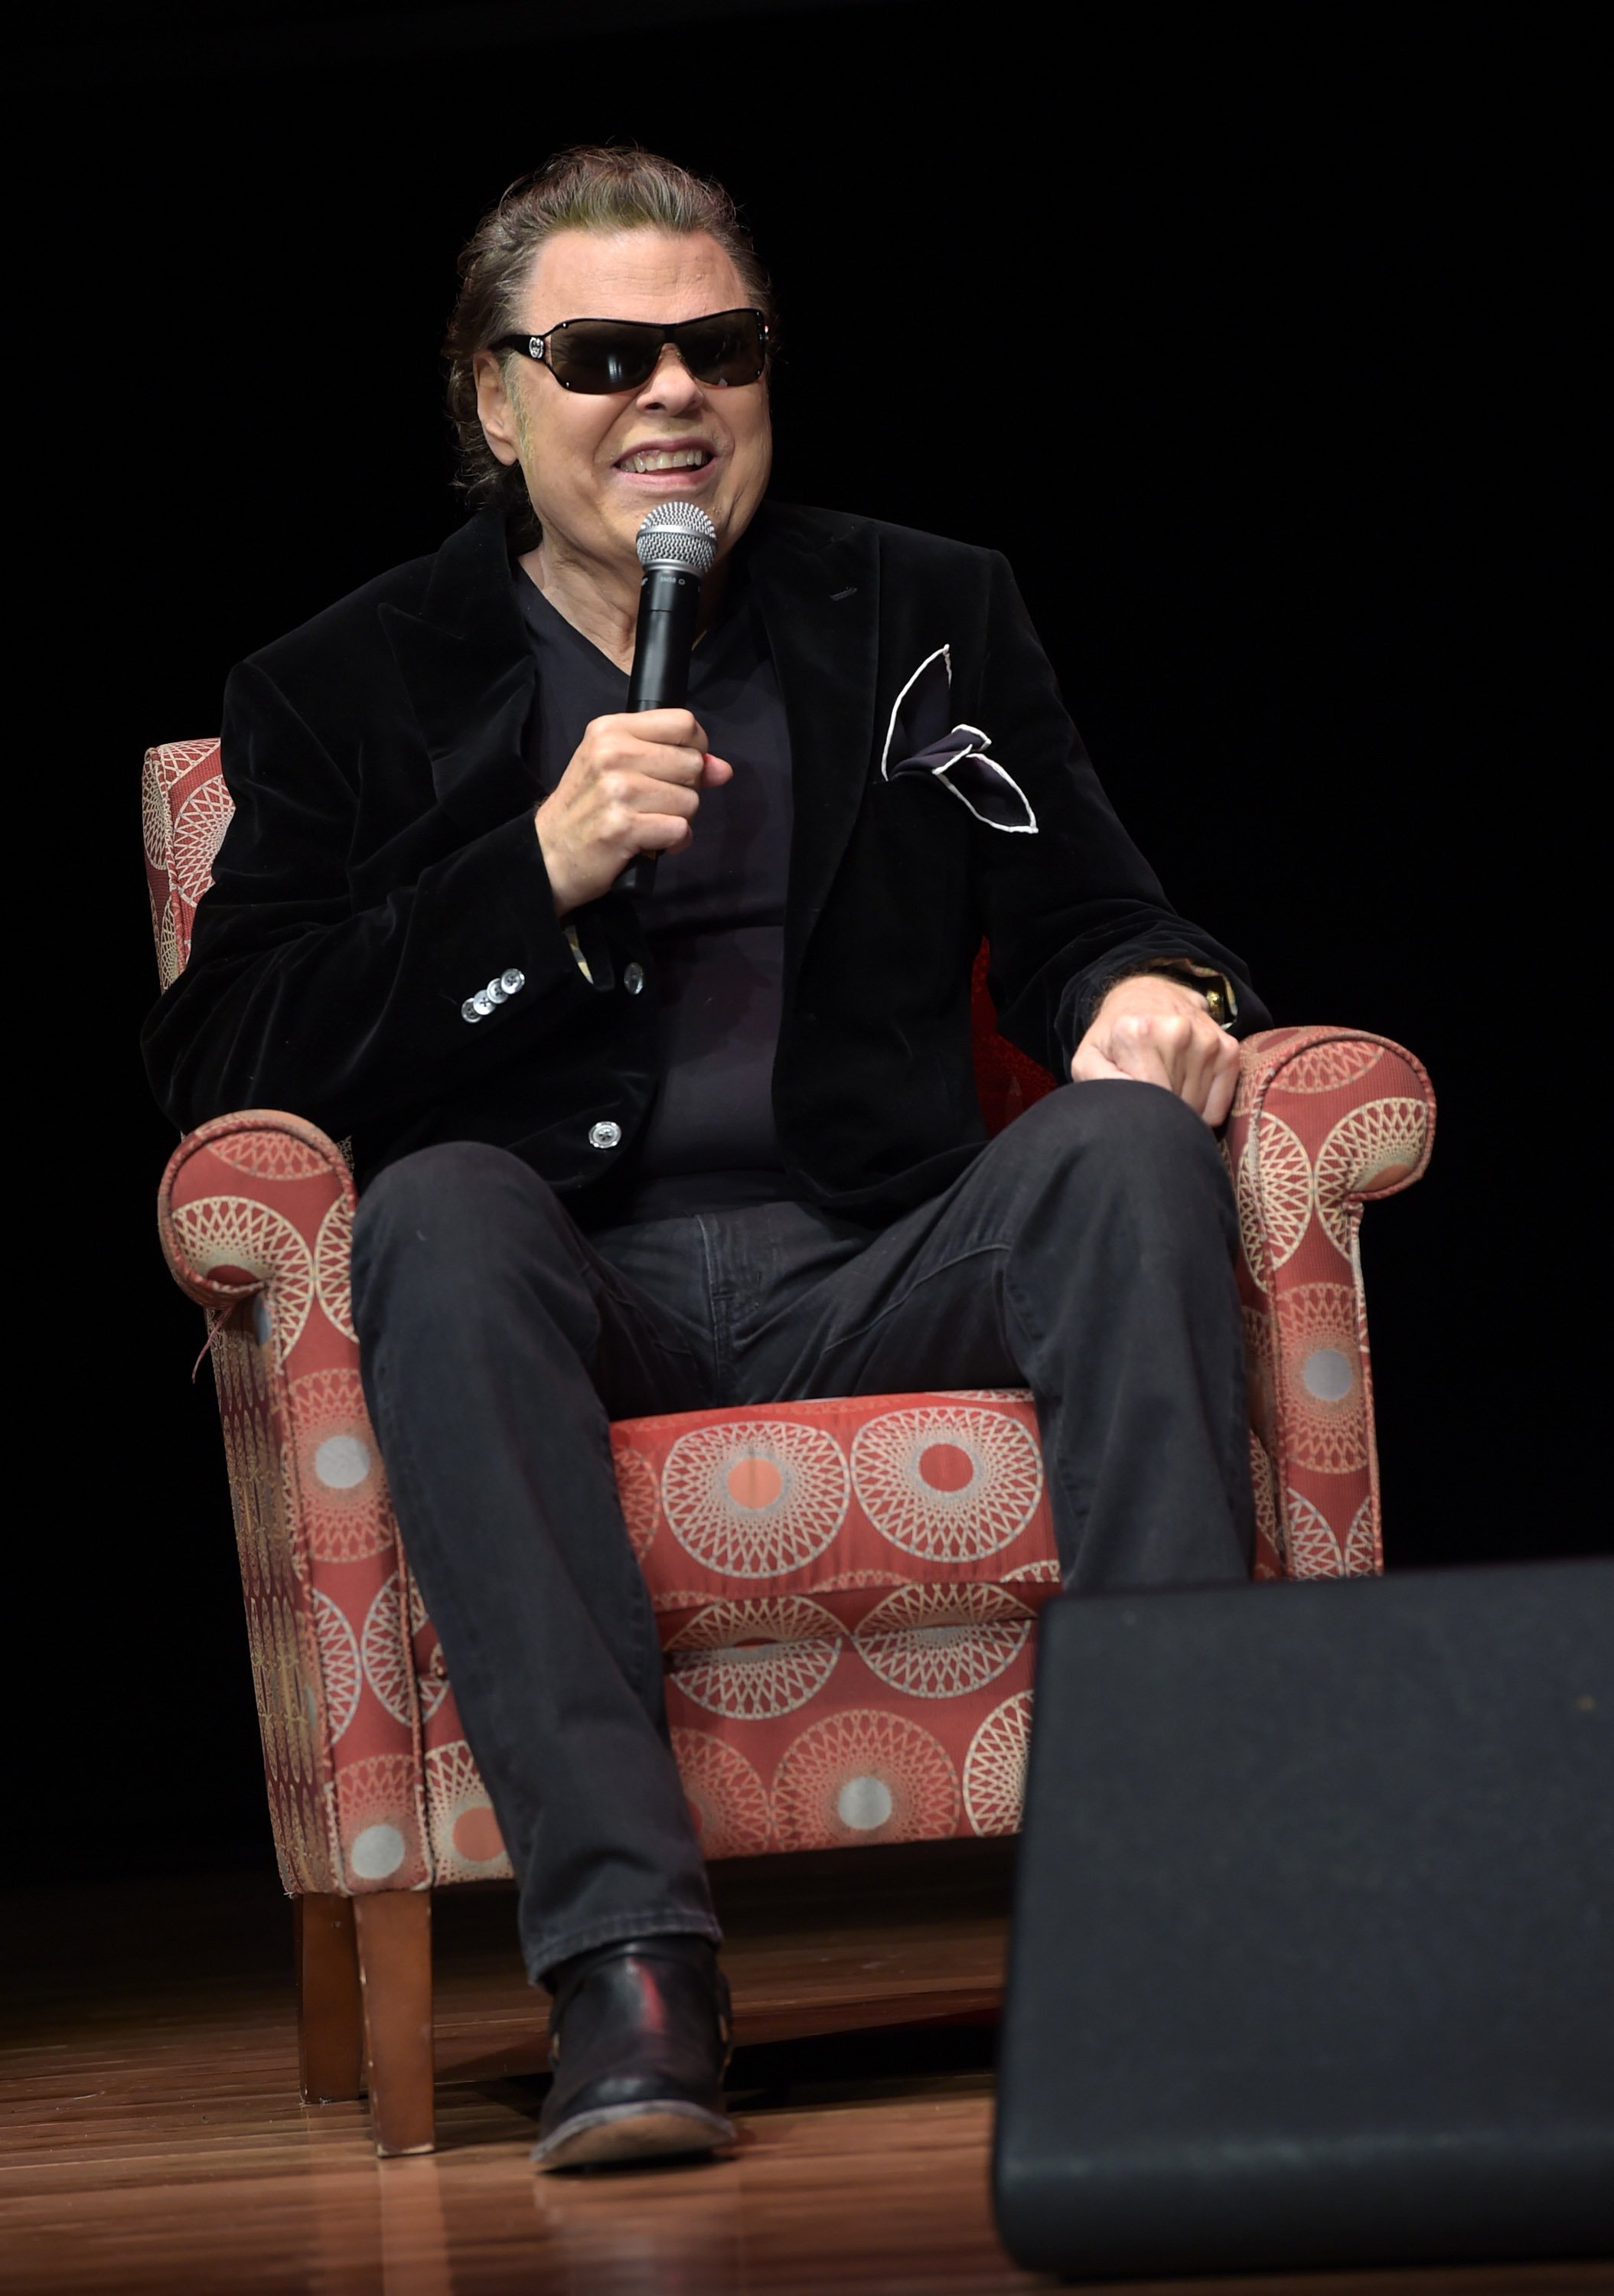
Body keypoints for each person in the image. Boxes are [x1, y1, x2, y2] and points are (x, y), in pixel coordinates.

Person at [143, 144, 1270, 2172]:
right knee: (438, 1214)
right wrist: (535, 875)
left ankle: (1186, 1923)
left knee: (1127, 1155)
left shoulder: (924, 609)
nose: (671, 394)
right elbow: (231, 1055)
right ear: (493, 402)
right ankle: (632, 1976)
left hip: (881, 1242)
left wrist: (1149, 991)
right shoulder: (342, 688)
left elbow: (1095, 904)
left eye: (716, 347)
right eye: (603, 354)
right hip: (581, 1287)